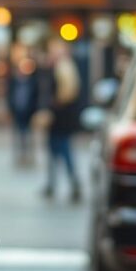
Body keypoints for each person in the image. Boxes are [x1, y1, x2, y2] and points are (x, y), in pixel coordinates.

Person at [40, 38, 82, 202]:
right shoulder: (62, 66)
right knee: (56, 152)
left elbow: (65, 94)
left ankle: (70, 184)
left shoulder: (63, 67)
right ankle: (55, 184)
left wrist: (52, 107)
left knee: (62, 151)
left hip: (60, 119)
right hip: (60, 119)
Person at [6, 43, 39, 166]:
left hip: (29, 112)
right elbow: (10, 96)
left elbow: (36, 98)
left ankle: (29, 157)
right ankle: (19, 157)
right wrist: (10, 109)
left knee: (28, 136)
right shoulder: (14, 81)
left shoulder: (33, 82)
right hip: (18, 111)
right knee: (18, 135)